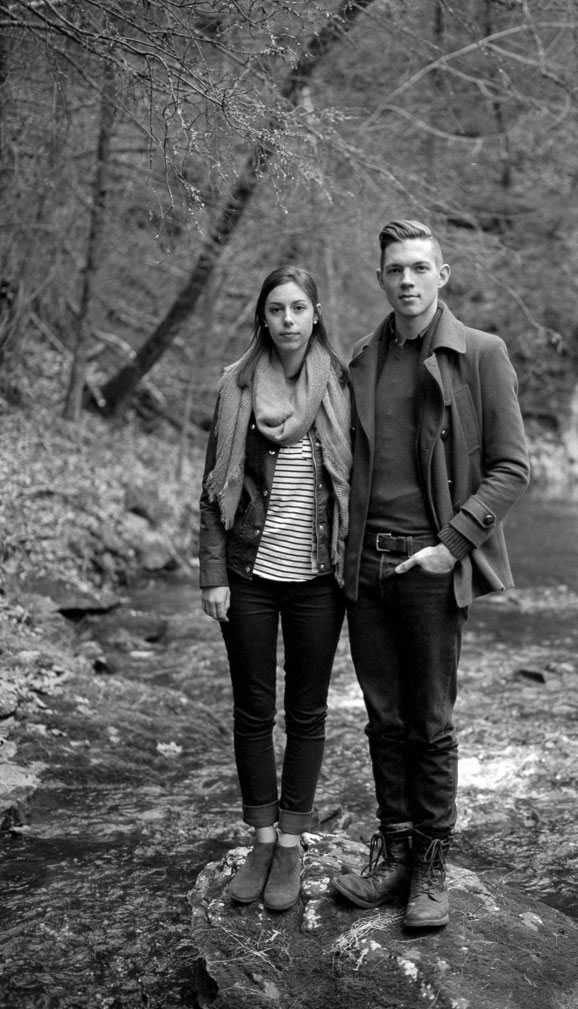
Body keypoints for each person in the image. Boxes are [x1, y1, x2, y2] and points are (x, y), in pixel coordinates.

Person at [332, 220, 530, 930]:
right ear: (381, 279)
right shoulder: (361, 357)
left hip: (430, 561)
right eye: (395, 270)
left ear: (442, 275)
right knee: (382, 717)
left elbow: (513, 468)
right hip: (364, 563)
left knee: (430, 719)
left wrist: (453, 545)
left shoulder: (480, 353)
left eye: (420, 267)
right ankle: (393, 852)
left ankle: (432, 865)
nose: (407, 280)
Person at [199, 265, 351, 911]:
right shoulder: (235, 387)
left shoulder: (341, 387)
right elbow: (211, 490)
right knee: (254, 713)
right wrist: (212, 576)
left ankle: (291, 845)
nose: (287, 320)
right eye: (276, 310)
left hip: (320, 578)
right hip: (249, 576)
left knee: (308, 714)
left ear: (315, 314)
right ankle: (261, 839)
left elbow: (359, 483)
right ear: (262, 318)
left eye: (298, 308)